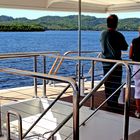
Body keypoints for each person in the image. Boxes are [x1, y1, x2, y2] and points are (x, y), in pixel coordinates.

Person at [100, 14, 128, 109]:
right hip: (116, 64)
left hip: (105, 63)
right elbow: (125, 47)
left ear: (107, 23)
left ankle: (109, 103)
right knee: (115, 84)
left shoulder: (103, 34)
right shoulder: (118, 35)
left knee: (107, 84)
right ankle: (114, 104)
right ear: (116, 24)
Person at [129, 28, 140, 118]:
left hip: (137, 66)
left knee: (138, 88)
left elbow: (130, 55)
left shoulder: (134, 41)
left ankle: (138, 111)